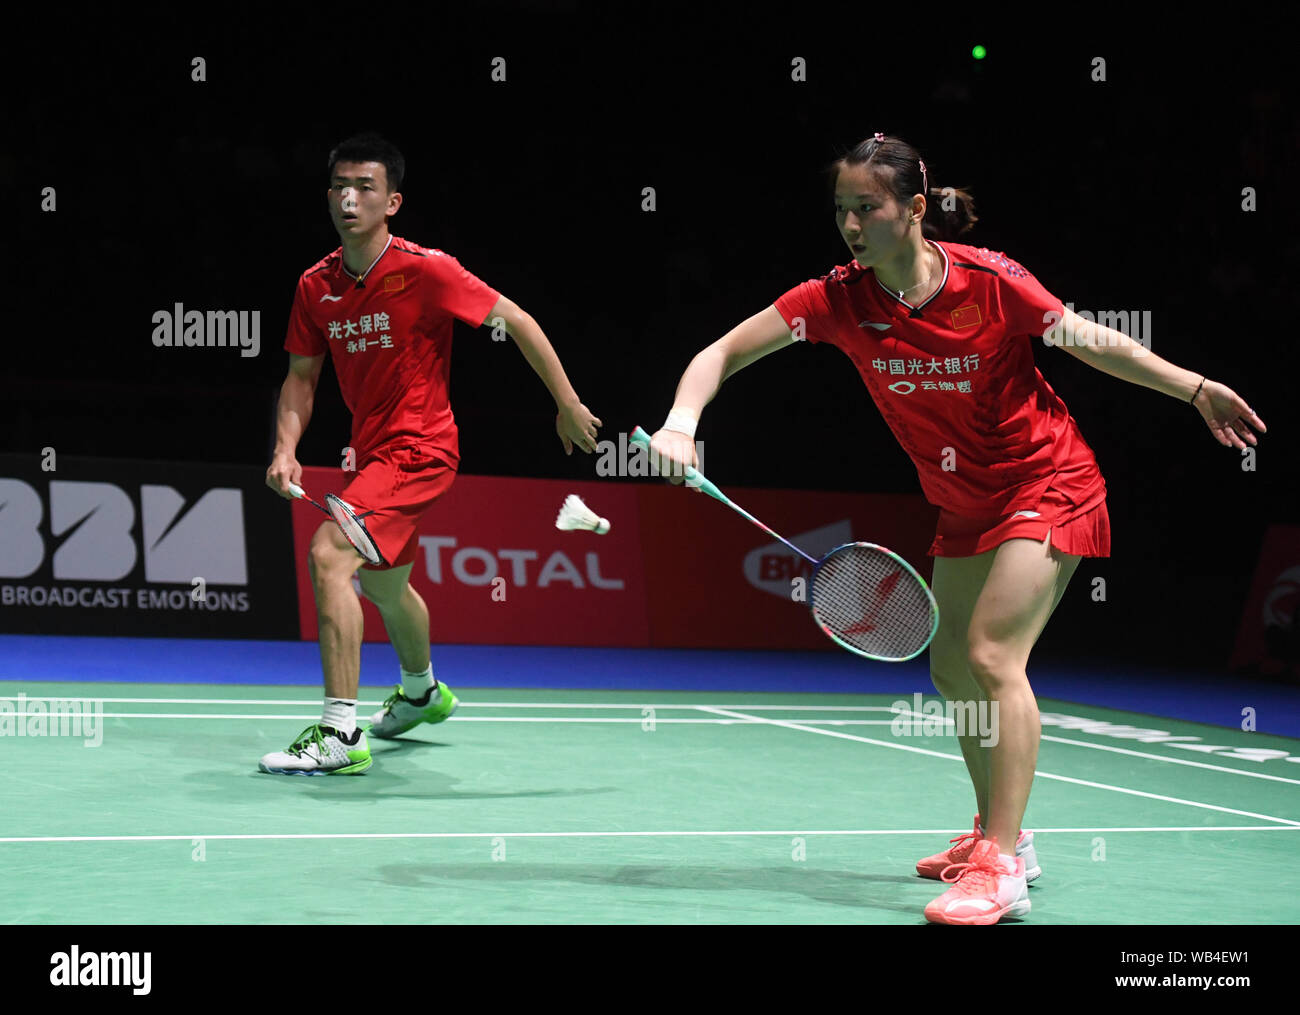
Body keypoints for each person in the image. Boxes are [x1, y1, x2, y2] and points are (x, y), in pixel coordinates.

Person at [646, 132, 1265, 924]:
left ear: (913, 204)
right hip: (964, 502)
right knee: (948, 671)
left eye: (866, 207)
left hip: (1048, 482)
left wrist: (1195, 388)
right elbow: (722, 350)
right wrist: (679, 424)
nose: (851, 224)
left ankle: (1001, 867)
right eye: (840, 210)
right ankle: (998, 834)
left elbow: (1090, 339)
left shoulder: (992, 282)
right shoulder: (838, 301)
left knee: (991, 654)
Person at [260, 133, 601, 775]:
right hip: (372, 455)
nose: (348, 198)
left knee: (329, 553)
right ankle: (421, 692)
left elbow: (518, 321)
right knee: (387, 585)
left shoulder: (427, 270)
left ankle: (341, 733)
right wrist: (286, 448)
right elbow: (301, 377)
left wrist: (566, 403)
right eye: (339, 186)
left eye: (364, 187)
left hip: (420, 449)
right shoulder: (316, 286)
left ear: (392, 201)